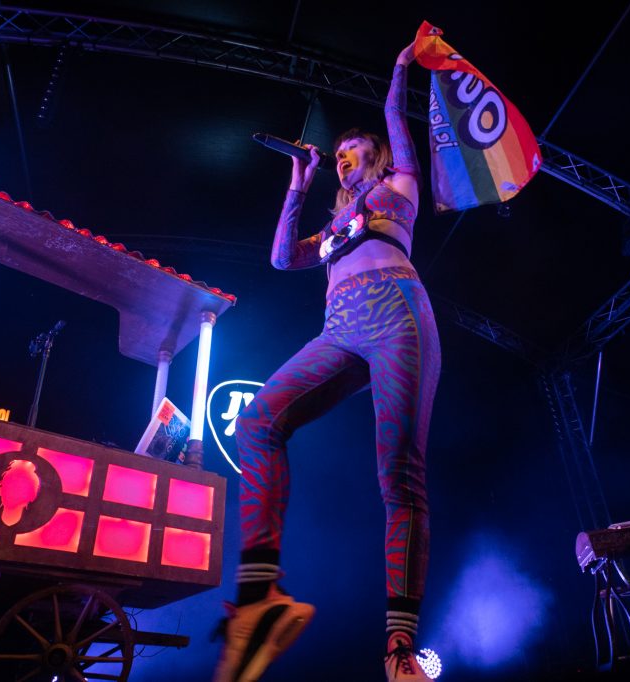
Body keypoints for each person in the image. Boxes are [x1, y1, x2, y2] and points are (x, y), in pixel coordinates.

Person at [212, 40, 440, 682]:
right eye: (336, 155)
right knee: (258, 421)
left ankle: (399, 648)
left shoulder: (399, 185)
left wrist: (400, 67)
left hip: (397, 315)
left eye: (351, 152)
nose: (342, 160)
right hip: (339, 329)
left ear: (377, 158)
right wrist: (299, 183)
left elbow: (396, 120)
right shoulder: (334, 231)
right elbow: (282, 257)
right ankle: (260, 594)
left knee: (397, 474)